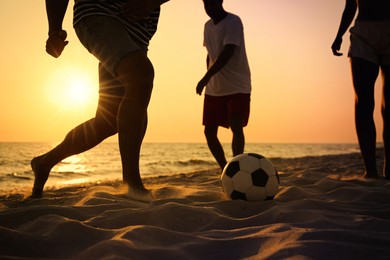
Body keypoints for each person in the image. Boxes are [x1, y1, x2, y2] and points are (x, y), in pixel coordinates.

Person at [31, 0, 169, 202]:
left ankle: (44, 162)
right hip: (98, 13)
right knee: (140, 74)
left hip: (138, 30)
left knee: (108, 121)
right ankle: (132, 184)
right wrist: (54, 30)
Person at [331, 0, 390, 179]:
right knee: (363, 103)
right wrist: (339, 34)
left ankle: (389, 169)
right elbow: (351, 5)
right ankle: (370, 170)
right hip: (363, 34)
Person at [196, 0, 251, 171]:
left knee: (236, 124)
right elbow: (210, 54)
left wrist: (206, 77)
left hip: (237, 84)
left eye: (212, 3)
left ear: (220, 1)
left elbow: (228, 52)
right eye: (206, 4)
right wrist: (209, 79)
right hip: (215, 88)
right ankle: (226, 170)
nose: (209, 7)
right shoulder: (207, 26)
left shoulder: (233, 21)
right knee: (209, 132)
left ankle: (237, 165)